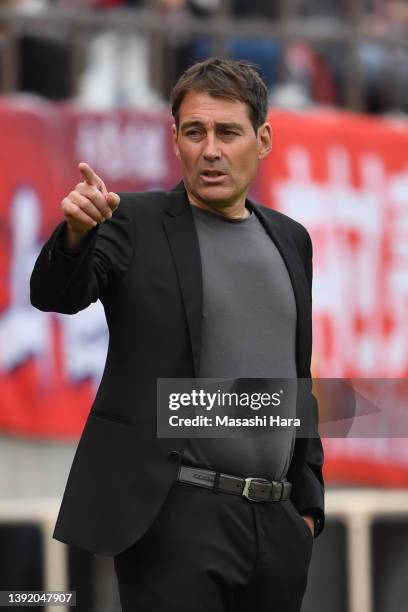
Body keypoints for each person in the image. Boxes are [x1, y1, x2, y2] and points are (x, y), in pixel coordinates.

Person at [30, 58, 325, 612]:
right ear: (176, 140)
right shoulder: (130, 222)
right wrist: (75, 234)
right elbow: (56, 294)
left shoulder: (291, 239)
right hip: (177, 518)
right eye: (195, 132)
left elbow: (296, 380)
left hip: (278, 528)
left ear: (262, 140)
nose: (210, 149)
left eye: (228, 132)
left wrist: (306, 507)